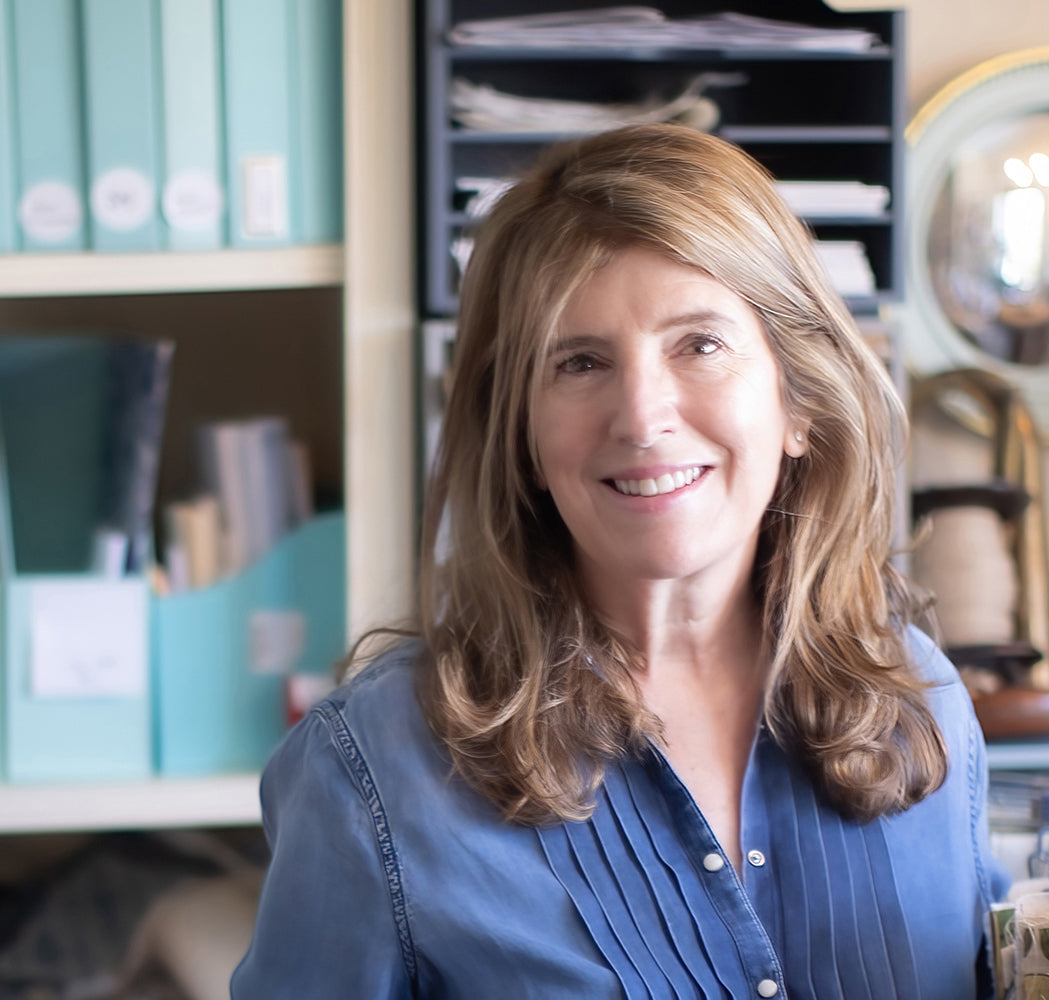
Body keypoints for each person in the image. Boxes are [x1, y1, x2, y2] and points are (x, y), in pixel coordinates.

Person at [232, 123, 1009, 998]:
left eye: (699, 344)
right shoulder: (373, 767)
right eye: (580, 362)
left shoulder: (920, 698)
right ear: (520, 434)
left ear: (800, 401)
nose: (642, 417)